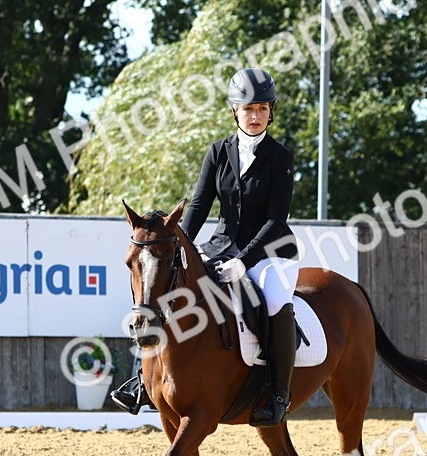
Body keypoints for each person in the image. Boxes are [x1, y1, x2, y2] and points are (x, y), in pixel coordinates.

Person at [112, 68, 300, 427]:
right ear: (235, 111)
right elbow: (198, 206)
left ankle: (278, 394)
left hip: (270, 251)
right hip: (222, 246)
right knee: (170, 290)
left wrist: (245, 262)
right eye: (248, 109)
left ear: (270, 111)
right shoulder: (218, 152)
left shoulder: (280, 157)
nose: (255, 115)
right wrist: (177, 244)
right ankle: (140, 378)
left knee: (275, 299)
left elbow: (276, 220)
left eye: (262, 108)